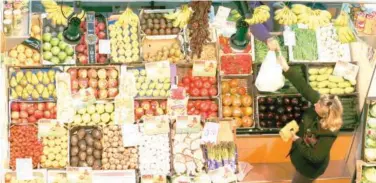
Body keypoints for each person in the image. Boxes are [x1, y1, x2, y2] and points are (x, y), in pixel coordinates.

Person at [276, 55, 344, 183]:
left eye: (317, 106)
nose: (314, 104)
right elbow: (304, 88)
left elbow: (315, 157)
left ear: (324, 115)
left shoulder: (329, 132)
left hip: (309, 169)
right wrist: (286, 68)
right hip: (299, 157)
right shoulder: (323, 103)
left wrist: (297, 140)